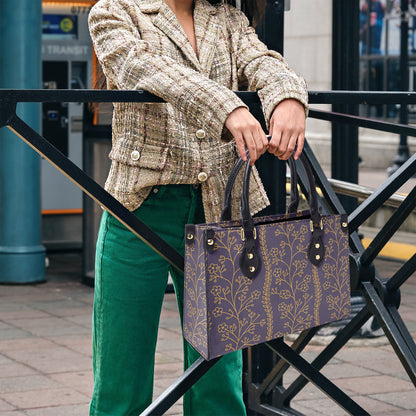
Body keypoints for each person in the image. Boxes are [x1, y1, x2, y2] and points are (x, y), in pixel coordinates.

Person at [88, 0, 308, 414]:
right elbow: (145, 68)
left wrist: (288, 97)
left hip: (219, 210)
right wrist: (230, 107)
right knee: (122, 376)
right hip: (140, 209)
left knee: (219, 382)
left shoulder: (225, 17)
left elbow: (262, 61)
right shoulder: (114, 10)